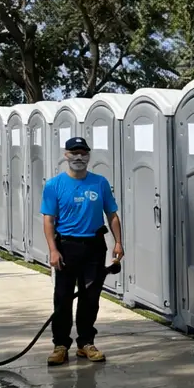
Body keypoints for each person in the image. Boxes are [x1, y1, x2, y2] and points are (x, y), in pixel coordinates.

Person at [41, 136, 124, 366]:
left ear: (89, 156)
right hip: (66, 247)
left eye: (83, 153)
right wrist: (53, 250)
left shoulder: (99, 183)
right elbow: (48, 220)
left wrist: (118, 242)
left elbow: (112, 214)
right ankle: (60, 345)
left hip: (94, 247)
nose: (79, 157)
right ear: (66, 155)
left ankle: (86, 343)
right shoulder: (54, 185)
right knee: (63, 297)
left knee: (90, 298)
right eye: (74, 153)